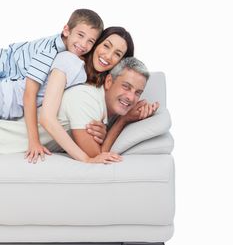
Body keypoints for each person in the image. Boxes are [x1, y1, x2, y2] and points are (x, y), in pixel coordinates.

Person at [0, 57, 158, 164]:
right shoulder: (86, 98)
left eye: (138, 92)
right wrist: (123, 121)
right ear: (109, 81)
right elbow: (96, 156)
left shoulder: (102, 107)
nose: (131, 97)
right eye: (126, 86)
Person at [0, 8, 104, 159]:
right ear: (66, 30)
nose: (83, 44)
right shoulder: (48, 51)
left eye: (90, 41)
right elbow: (30, 94)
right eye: (80, 35)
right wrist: (34, 141)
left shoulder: (69, 57)